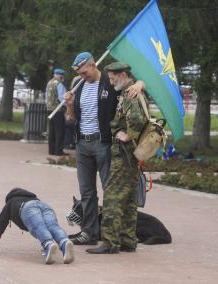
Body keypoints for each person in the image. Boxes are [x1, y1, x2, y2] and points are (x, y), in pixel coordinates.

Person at [64, 52, 144, 245]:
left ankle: (114, 236)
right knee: (87, 192)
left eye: (85, 72)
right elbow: (71, 119)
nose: (83, 76)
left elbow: (130, 83)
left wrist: (140, 84)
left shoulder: (109, 82)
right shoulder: (78, 84)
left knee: (111, 191)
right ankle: (89, 232)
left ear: (93, 65)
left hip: (103, 144)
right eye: (80, 74)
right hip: (82, 144)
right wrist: (69, 106)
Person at [86, 62, 149, 254]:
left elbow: (137, 120)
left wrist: (128, 135)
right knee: (129, 197)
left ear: (122, 75)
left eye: (113, 78)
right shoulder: (130, 91)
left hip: (123, 152)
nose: (111, 81)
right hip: (131, 153)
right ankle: (128, 240)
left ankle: (110, 242)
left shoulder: (130, 94)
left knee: (112, 196)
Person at [0, 188, 75, 265]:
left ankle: (48, 244)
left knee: (39, 226)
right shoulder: (33, 198)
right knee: (53, 226)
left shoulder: (10, 202)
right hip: (45, 206)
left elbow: (0, 225)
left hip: (27, 208)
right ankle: (64, 242)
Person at [46, 68, 67, 156]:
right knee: (59, 131)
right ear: (59, 75)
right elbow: (62, 98)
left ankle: (51, 150)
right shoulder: (59, 84)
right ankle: (59, 151)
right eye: (62, 75)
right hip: (58, 110)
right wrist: (67, 106)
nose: (63, 77)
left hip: (49, 109)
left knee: (52, 131)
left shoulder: (49, 83)